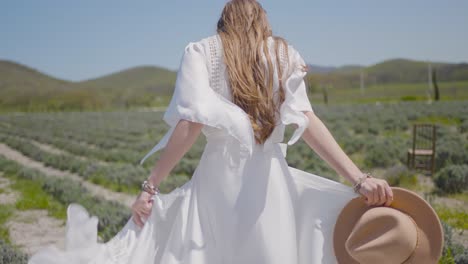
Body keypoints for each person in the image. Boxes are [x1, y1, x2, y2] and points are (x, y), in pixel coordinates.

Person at [29, 0, 393, 263]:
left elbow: (191, 123)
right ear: (263, 22)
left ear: (223, 23)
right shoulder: (284, 55)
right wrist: (358, 179)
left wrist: (150, 186)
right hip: (271, 182)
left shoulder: (201, 52)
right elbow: (308, 121)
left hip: (219, 182)